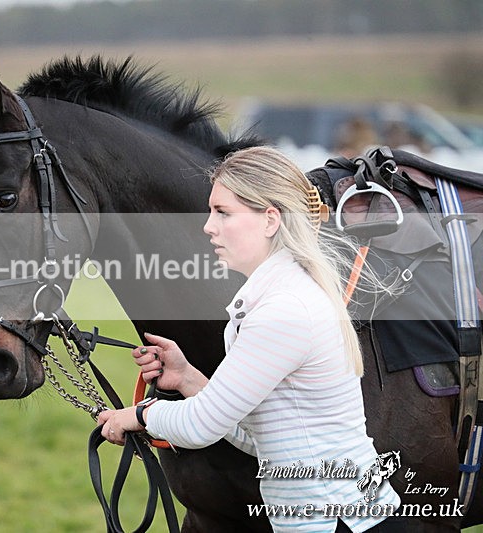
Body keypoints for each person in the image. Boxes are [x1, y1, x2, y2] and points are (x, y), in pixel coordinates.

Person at [97, 146, 402, 532]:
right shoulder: (281, 296)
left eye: (223, 212)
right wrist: (190, 380)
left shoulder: (283, 309)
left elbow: (200, 426)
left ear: (270, 220)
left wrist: (138, 416)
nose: (208, 226)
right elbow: (262, 439)